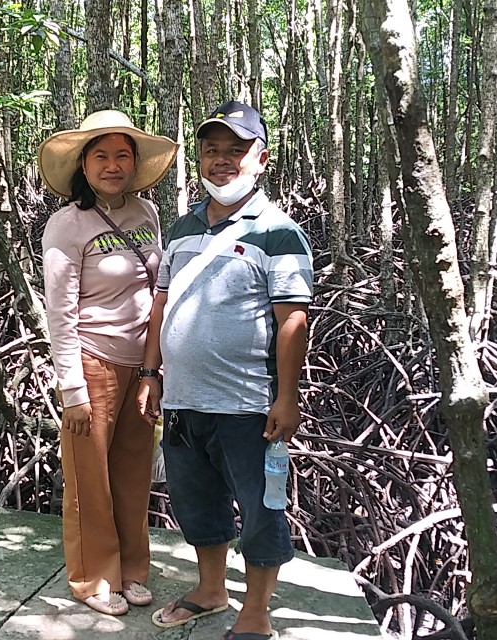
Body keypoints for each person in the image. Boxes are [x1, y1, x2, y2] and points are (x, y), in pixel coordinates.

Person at [137, 100, 315, 640]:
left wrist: (287, 397)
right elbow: (162, 306)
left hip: (248, 404)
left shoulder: (279, 232)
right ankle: (211, 591)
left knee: (260, 509)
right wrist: (150, 374)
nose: (222, 160)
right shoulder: (182, 228)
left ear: (261, 158)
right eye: (212, 150)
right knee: (197, 503)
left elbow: (293, 319)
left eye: (236, 150)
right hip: (183, 400)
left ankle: (256, 612)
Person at [37, 110, 178, 616]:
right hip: (92, 363)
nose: (113, 165)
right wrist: (72, 388)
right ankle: (94, 578)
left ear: (135, 163)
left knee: (133, 473)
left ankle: (133, 570)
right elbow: (60, 311)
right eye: (101, 156)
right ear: (84, 164)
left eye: (122, 155)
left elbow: (156, 290)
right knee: (89, 480)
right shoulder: (67, 224)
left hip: (142, 365)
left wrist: (155, 368)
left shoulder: (146, 213)